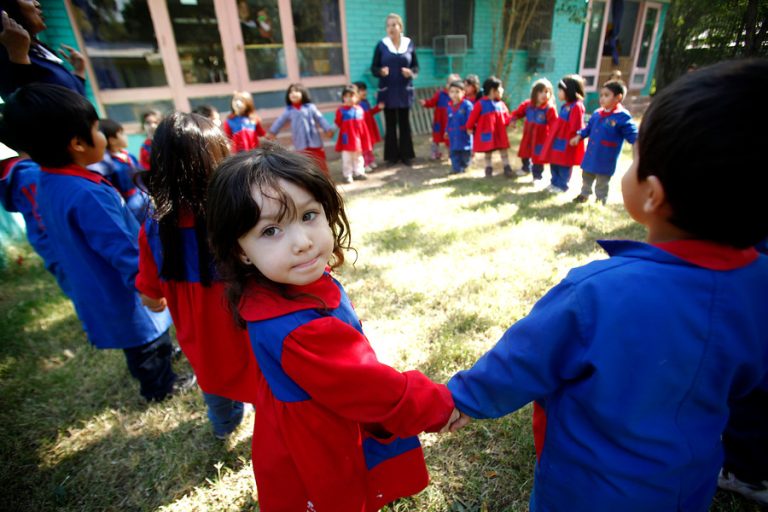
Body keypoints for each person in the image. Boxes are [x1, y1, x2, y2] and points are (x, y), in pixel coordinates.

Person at [444, 59, 768, 512]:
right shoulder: (759, 286)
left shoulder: (596, 292)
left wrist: (460, 398)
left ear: (651, 194)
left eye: (635, 159)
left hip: (582, 491)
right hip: (688, 486)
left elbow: (523, 360)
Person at [206, 143, 457, 511]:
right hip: (321, 437)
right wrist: (438, 404)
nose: (302, 242)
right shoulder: (295, 330)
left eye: (308, 216)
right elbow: (373, 389)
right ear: (241, 250)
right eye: (271, 230)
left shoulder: (282, 283)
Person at [0, 83, 192, 402]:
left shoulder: (47, 180)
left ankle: (159, 356)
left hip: (94, 283)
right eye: (95, 128)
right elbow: (122, 249)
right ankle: (160, 387)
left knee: (140, 338)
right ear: (77, 143)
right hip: (123, 289)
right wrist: (148, 286)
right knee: (144, 337)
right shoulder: (88, 194)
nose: (102, 134)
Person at [136, 112, 259, 439]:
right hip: (248, 325)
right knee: (265, 380)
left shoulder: (155, 225)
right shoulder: (238, 214)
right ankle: (274, 426)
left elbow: (150, 296)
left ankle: (223, 427)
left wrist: (160, 298)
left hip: (199, 335)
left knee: (213, 383)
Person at [0, 150, 69, 295]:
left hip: (53, 248)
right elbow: (46, 221)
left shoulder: (23, 175)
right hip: (62, 250)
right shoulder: (30, 176)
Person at [0, 0, 86, 100]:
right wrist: (19, 58)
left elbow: (75, 100)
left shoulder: (36, 52)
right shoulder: (10, 58)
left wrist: (79, 73)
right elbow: (25, 105)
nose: (37, 3)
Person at [570, 80, 638, 205]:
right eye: (601, 95)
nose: (602, 98)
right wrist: (579, 136)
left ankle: (600, 199)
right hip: (591, 155)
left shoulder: (622, 116)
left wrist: (637, 141)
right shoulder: (597, 113)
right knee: (587, 176)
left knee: (602, 181)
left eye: (606, 95)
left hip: (606, 156)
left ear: (618, 97)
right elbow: (588, 129)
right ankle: (584, 194)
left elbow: (632, 134)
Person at [371, 13, 418, 166]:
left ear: (400, 27)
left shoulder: (409, 44)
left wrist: (411, 73)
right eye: (388, 25)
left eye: (394, 25)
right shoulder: (381, 45)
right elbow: (374, 68)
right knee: (390, 125)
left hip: (404, 90)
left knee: (404, 124)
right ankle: (391, 157)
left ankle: (407, 156)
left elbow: (416, 67)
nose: (391, 28)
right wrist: (380, 71)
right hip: (388, 91)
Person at [266, 83, 334, 175]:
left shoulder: (310, 107)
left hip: (314, 141)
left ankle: (325, 177)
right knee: (304, 162)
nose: (293, 94)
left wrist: (327, 129)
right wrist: (272, 132)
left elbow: (320, 118)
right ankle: (310, 179)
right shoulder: (289, 110)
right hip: (300, 141)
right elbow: (280, 121)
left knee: (320, 161)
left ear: (303, 93)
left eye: (296, 91)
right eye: (291, 92)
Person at [97, 118, 150, 223]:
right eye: (122, 134)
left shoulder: (129, 156)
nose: (126, 137)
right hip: (131, 206)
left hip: (143, 197)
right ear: (112, 140)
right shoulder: (110, 165)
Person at [541, 74, 586, 193]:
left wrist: (576, 136)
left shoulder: (577, 106)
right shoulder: (565, 106)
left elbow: (577, 125)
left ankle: (562, 185)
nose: (558, 93)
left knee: (564, 163)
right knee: (554, 160)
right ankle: (554, 182)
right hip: (558, 139)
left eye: (561, 90)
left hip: (567, 141)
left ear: (570, 90)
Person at [509, 78, 557, 181]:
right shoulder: (528, 105)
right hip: (528, 136)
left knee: (538, 157)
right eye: (541, 92)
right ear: (534, 93)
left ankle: (537, 175)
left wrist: (553, 137)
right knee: (525, 153)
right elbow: (517, 113)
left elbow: (554, 124)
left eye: (547, 92)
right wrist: (513, 120)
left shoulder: (549, 109)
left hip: (541, 138)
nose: (544, 95)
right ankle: (525, 168)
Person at [466, 76, 513, 178]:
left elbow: (507, 117)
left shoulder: (501, 104)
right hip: (487, 132)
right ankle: (488, 168)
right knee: (488, 150)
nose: (502, 90)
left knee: (503, 149)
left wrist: (511, 122)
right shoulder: (480, 104)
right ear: (493, 90)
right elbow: (472, 117)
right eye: (501, 88)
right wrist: (469, 127)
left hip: (500, 133)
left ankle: (507, 166)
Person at [335, 84, 371, 184]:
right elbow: (338, 122)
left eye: (352, 96)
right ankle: (347, 175)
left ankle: (359, 172)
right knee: (347, 158)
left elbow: (362, 126)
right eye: (346, 96)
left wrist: (364, 138)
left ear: (357, 97)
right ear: (343, 98)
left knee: (358, 157)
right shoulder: (341, 110)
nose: (349, 99)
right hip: (346, 139)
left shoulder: (359, 110)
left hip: (358, 139)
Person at [420, 73, 460, 160]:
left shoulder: (457, 97)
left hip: (450, 121)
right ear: (447, 84)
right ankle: (434, 152)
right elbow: (432, 102)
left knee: (450, 137)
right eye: (450, 83)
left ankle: (451, 153)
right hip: (439, 120)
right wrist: (426, 103)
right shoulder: (440, 94)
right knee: (436, 137)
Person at [353, 81, 384, 172]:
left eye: (364, 90)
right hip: (363, 130)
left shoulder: (365, 102)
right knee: (364, 148)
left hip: (369, 128)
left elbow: (370, 113)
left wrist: (378, 108)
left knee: (370, 146)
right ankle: (364, 164)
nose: (364, 92)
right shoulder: (356, 105)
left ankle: (370, 161)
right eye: (361, 90)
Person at [445, 80, 473, 174]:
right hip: (453, 134)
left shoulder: (467, 105)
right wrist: (446, 131)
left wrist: (470, 128)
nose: (454, 94)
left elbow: (471, 119)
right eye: (452, 92)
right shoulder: (449, 106)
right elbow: (448, 120)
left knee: (465, 152)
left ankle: (465, 166)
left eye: (457, 91)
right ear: (449, 93)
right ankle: (456, 168)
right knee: (454, 152)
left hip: (464, 134)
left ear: (463, 93)